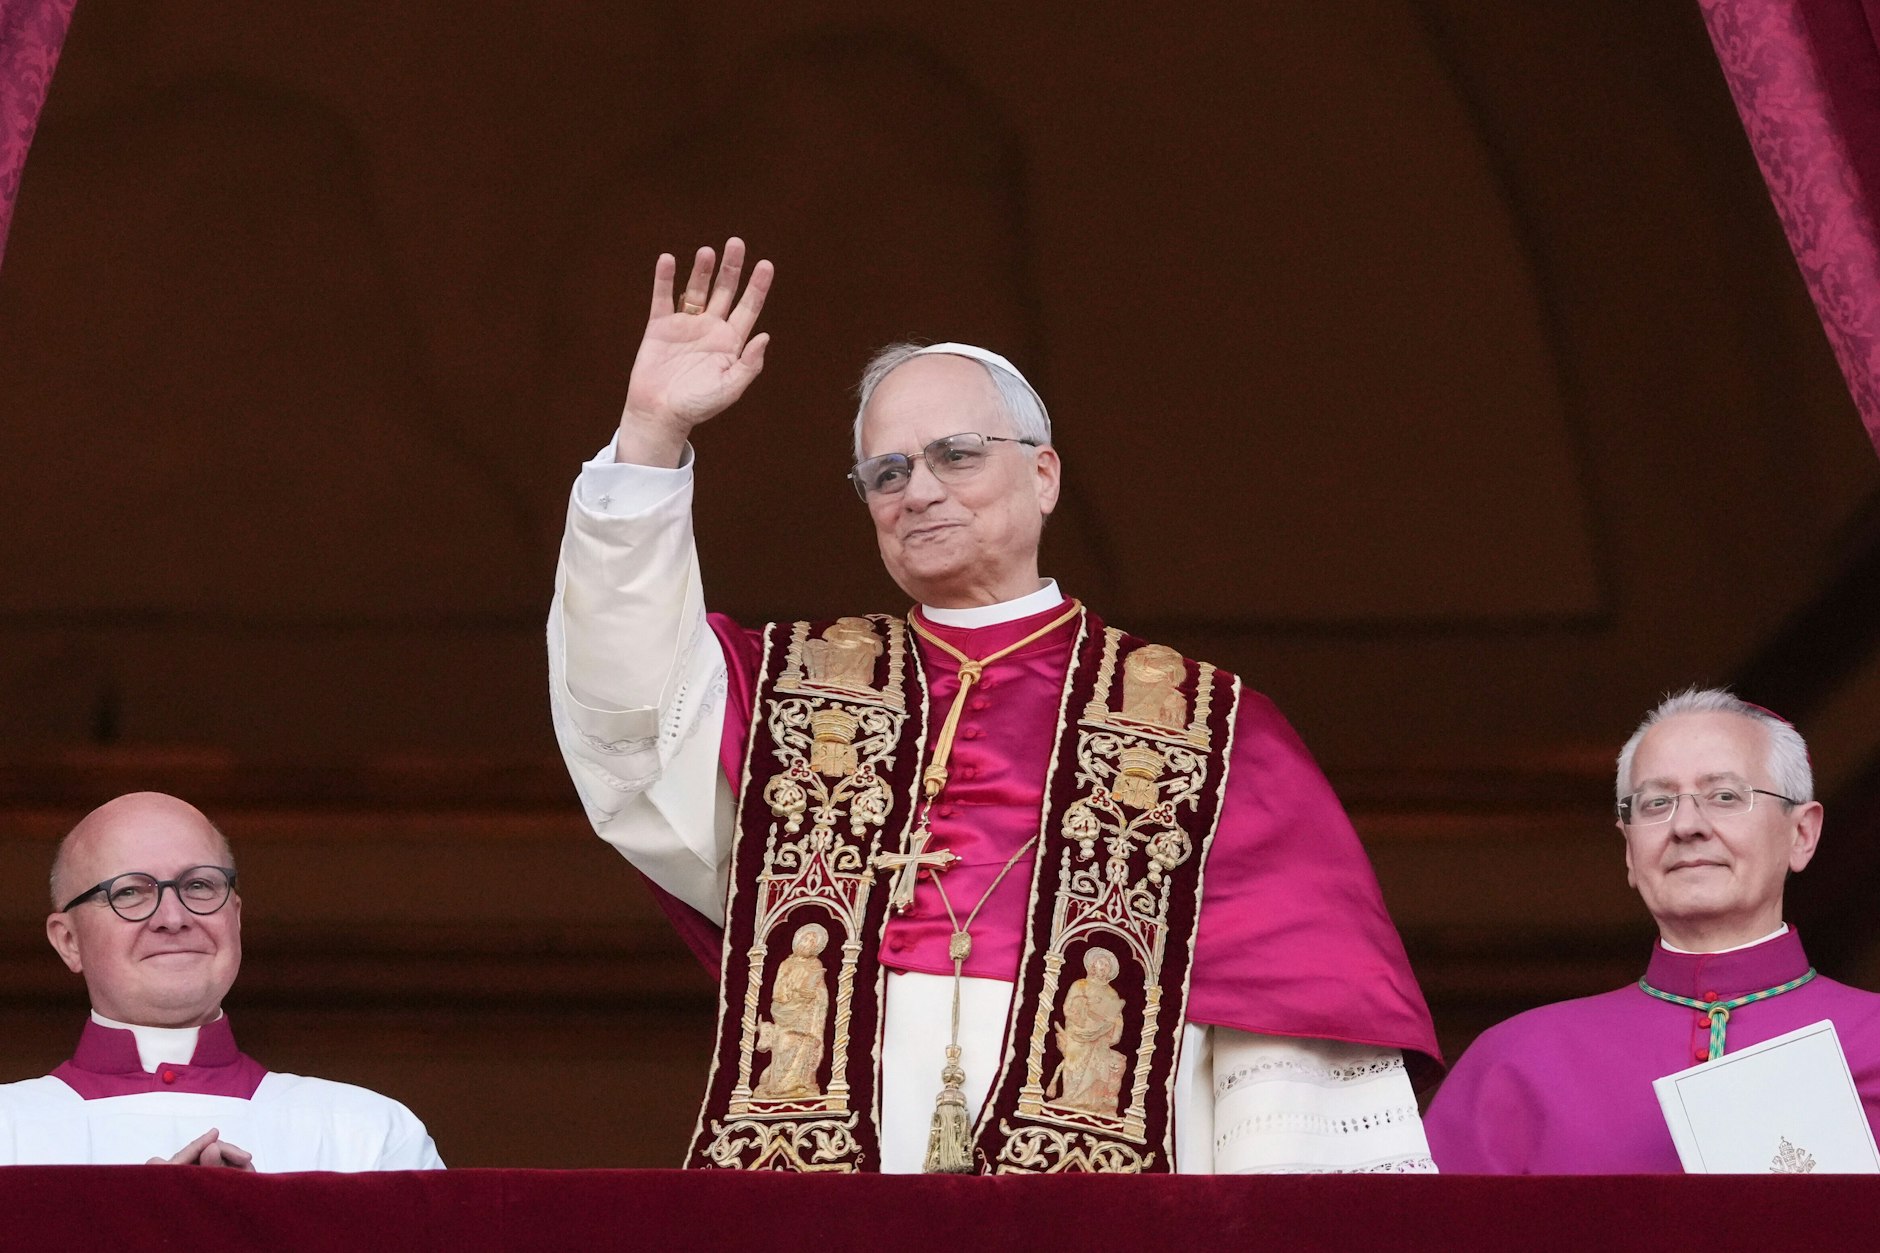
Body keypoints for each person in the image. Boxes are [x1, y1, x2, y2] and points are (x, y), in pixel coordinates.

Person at [549, 238, 1440, 1174]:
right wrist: (651, 437)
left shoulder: (1211, 730)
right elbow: (630, 706)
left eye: (956, 455)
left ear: (1045, 474)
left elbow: (1286, 1048)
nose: (918, 489)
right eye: (886, 473)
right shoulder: (797, 696)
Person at [1424, 688, 1880, 1172]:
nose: (1686, 825)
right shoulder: (1517, 1062)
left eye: (1724, 796)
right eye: (1656, 803)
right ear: (1629, 850)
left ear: (1801, 833)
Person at [0, 791, 444, 1170]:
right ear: (68, 941)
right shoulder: (9, 1130)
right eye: (129, 892)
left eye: (198, 886)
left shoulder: (367, 1135)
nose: (172, 918)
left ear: (235, 917)